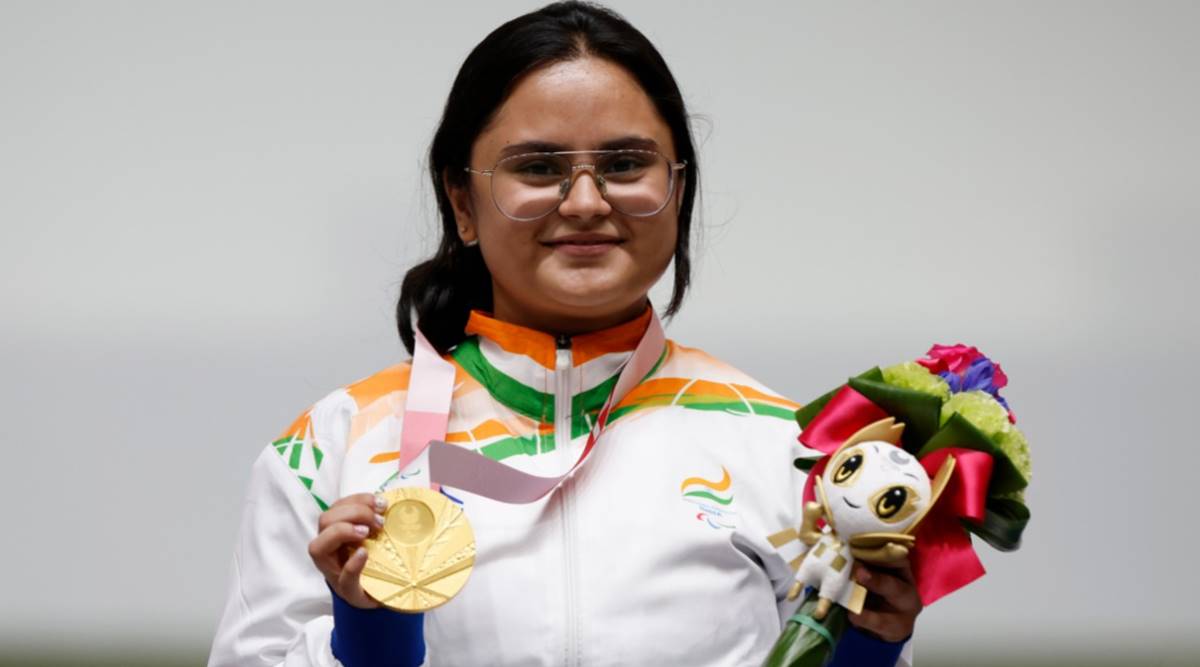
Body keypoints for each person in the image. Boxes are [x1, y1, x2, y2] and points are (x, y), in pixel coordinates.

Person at [208, 3, 923, 665]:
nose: (585, 202)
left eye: (625, 164)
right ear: (462, 201)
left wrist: (871, 650)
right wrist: (371, 636)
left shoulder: (789, 450)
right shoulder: (331, 447)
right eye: (538, 168)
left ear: (677, 189)